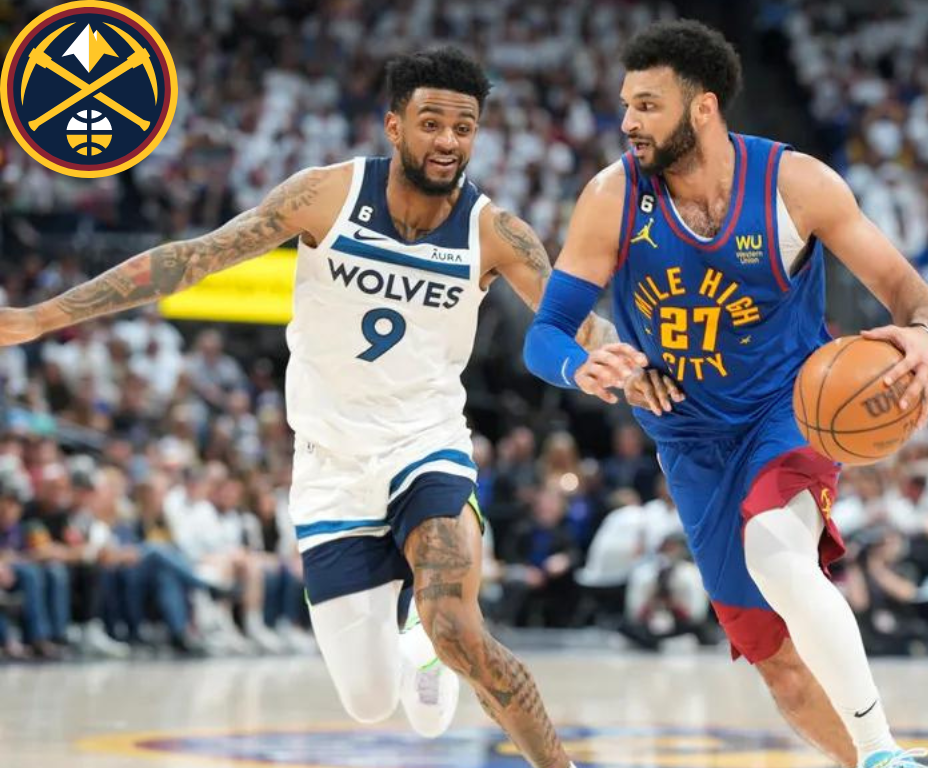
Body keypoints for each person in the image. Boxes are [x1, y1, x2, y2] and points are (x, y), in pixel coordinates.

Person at [0, 48, 615, 768]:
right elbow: (191, 259)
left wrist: (621, 359)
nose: (448, 140)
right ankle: (414, 636)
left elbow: (575, 319)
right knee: (366, 701)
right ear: (394, 126)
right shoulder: (326, 194)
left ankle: (470, 670)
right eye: (431, 122)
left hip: (426, 443)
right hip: (330, 464)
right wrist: (42, 318)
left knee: (454, 621)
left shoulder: (495, 232)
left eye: (464, 126)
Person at [523, 21, 928, 768]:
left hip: (789, 411)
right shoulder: (612, 197)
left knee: (776, 554)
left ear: (704, 107)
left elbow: (905, 288)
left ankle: (883, 753)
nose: (628, 122)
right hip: (688, 441)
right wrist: (581, 366)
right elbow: (546, 333)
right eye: (626, 104)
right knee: (778, 667)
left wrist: (923, 335)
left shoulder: (795, 184)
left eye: (648, 105)